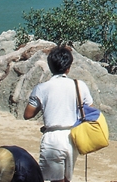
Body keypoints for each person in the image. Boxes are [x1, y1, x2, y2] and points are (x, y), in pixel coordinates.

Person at [23, 46, 93, 182]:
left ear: (50, 66)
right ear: (68, 67)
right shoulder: (80, 85)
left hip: (52, 138)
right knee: (67, 179)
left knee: (54, 180)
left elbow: (28, 114)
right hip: (73, 137)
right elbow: (91, 111)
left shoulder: (42, 88)